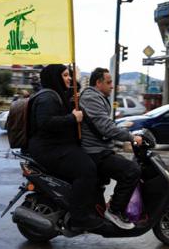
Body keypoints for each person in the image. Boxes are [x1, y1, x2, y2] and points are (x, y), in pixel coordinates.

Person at [28, 64, 103, 231]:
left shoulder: (55, 95)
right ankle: (79, 217)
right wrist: (72, 118)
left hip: (55, 145)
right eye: (65, 75)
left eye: (69, 75)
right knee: (87, 169)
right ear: (55, 77)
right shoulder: (47, 97)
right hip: (48, 149)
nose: (69, 78)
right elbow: (46, 123)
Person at [79, 67, 142, 230]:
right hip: (95, 152)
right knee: (131, 171)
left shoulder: (97, 97)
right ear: (98, 83)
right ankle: (115, 210)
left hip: (101, 149)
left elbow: (104, 126)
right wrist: (130, 137)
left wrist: (122, 136)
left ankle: (108, 207)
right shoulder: (91, 97)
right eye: (109, 82)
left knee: (128, 167)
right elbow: (105, 127)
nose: (112, 86)